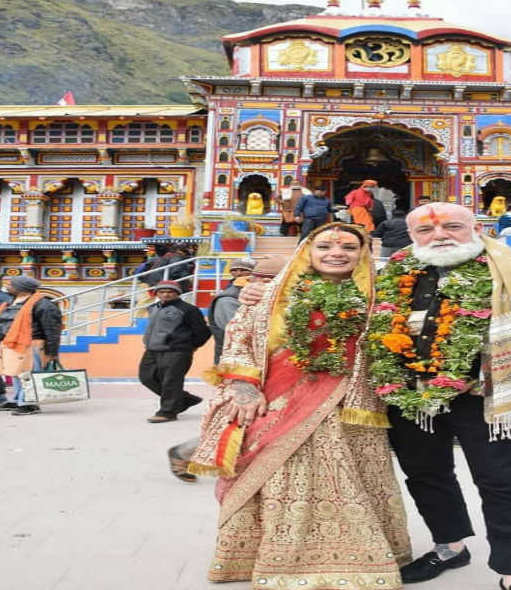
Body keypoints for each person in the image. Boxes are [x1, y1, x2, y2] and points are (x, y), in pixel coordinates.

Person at [239, 203, 511, 590]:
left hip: (488, 400)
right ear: (411, 236)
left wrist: (508, 376)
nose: (439, 235)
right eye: (425, 230)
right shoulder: (394, 275)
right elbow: (327, 289)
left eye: (453, 226)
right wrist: (262, 293)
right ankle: (450, 547)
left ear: (476, 228)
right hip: (408, 399)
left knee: (502, 481)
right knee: (427, 475)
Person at [190, 224, 411, 586]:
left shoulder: (381, 297)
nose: (336, 253)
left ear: (362, 254)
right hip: (281, 402)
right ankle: (274, 559)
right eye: (324, 246)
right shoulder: (271, 295)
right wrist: (245, 388)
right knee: (279, 480)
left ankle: (363, 558)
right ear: (308, 252)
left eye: (348, 248)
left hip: (352, 407)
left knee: (352, 481)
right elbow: (238, 339)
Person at [167, 254, 288, 484]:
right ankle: (184, 453)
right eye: (239, 272)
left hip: (272, 372)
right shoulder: (230, 300)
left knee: (252, 423)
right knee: (240, 423)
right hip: (242, 371)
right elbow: (235, 332)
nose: (242, 276)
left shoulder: (276, 298)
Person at [0, 276, 63, 415]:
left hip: (31, 344)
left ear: (21, 288)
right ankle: (19, 398)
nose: (7, 286)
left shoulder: (43, 305)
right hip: (11, 343)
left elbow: (52, 329)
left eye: (11, 284)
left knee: (27, 374)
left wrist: (52, 351)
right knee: (15, 373)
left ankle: (29, 404)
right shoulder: (11, 301)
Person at [139, 280, 211, 423]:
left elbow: (203, 331)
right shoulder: (153, 308)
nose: (165, 294)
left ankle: (168, 412)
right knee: (146, 377)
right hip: (152, 349)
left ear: (178, 294)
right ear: (156, 293)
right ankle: (185, 399)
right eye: (162, 292)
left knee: (171, 381)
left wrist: (192, 345)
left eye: (170, 292)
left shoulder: (188, 309)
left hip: (176, 350)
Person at [207, 256, 283, 365]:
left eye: (243, 270)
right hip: (238, 365)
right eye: (235, 270)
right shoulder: (227, 299)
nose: (238, 273)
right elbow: (239, 332)